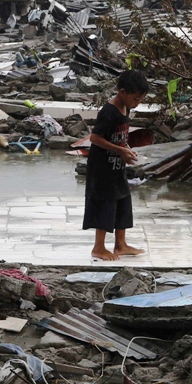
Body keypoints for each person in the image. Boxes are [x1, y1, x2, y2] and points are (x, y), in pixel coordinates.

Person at [83, 70, 149, 261]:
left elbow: (118, 137)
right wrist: (119, 150)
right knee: (105, 205)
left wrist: (125, 149)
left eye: (140, 100)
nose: (137, 103)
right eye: (135, 99)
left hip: (117, 166)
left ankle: (120, 245)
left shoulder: (125, 109)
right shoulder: (109, 112)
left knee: (123, 202)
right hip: (102, 168)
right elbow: (95, 138)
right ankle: (98, 247)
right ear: (122, 92)